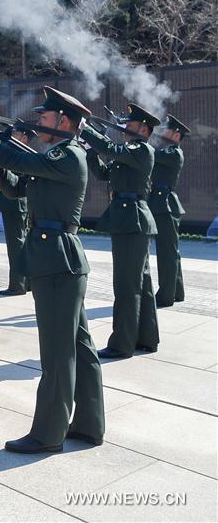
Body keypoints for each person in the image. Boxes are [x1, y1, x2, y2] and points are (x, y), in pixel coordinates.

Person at [0, 85, 104, 454]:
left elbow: (24, 164)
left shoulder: (67, 156)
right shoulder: (55, 156)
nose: (39, 122)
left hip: (57, 259)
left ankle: (48, 434)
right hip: (57, 259)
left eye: (45, 117)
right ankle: (88, 425)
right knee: (79, 346)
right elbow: (16, 188)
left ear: (64, 121)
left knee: (58, 353)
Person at [81, 103, 160, 359]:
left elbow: (112, 149)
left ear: (144, 129)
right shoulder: (129, 152)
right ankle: (146, 338)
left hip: (132, 220)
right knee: (141, 284)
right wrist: (91, 150)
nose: (125, 128)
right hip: (129, 220)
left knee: (126, 285)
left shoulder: (141, 150)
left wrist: (85, 130)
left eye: (131, 124)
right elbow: (104, 173)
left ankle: (122, 344)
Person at [0, 129, 36, 296]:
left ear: (23, 137)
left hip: (14, 203)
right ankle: (27, 282)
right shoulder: (21, 154)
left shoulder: (19, 154)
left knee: (16, 245)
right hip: (17, 204)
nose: (11, 136)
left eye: (15, 134)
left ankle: (18, 285)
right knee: (22, 244)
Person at [149, 115, 189, 308]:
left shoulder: (174, 153)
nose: (163, 132)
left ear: (176, 134)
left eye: (167, 129)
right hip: (161, 204)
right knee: (171, 252)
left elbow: (152, 154)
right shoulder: (168, 151)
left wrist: (141, 135)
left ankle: (166, 296)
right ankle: (177, 292)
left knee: (167, 253)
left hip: (166, 205)